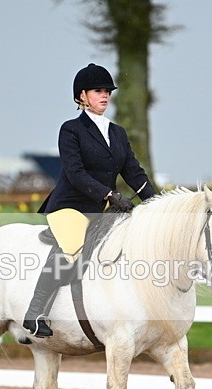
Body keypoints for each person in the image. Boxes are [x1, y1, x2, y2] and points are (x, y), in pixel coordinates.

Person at [22, 63, 157, 338]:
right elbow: (75, 173)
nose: (105, 95)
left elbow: (133, 171)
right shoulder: (71, 130)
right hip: (70, 205)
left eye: (107, 91)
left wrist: (156, 203)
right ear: (81, 96)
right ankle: (34, 312)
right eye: (98, 91)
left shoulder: (117, 132)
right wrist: (109, 194)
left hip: (103, 209)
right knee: (71, 247)